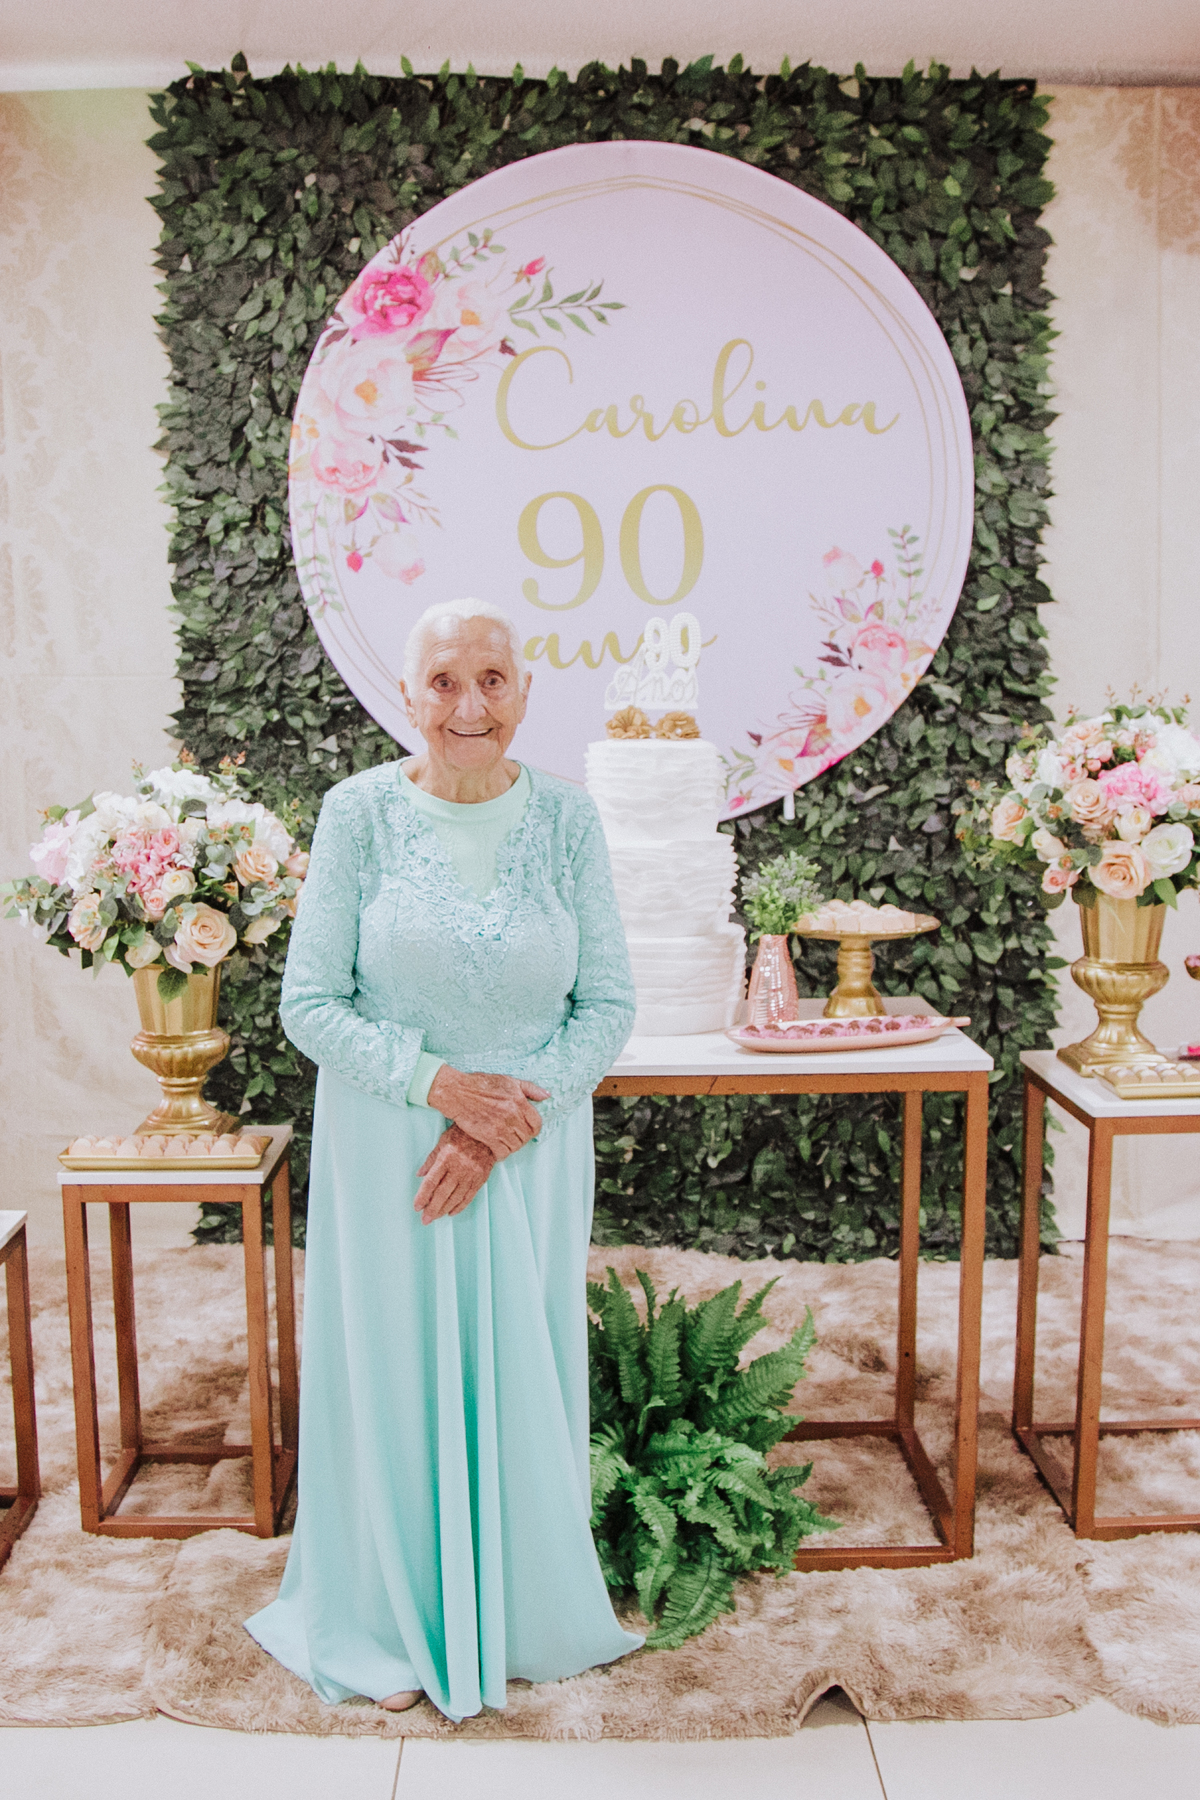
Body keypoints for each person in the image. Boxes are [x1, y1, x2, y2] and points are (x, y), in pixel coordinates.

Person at [245, 598, 642, 1720]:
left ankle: (519, 1609)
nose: (470, 705)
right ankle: (382, 1611)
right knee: (394, 1374)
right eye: (444, 681)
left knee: (519, 1374)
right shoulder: (357, 815)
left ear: (526, 691)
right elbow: (308, 1004)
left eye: (493, 680)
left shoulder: (568, 819)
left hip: (527, 1155)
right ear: (407, 694)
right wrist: (436, 1087)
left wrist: (498, 1123)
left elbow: (608, 1005)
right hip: (390, 1156)